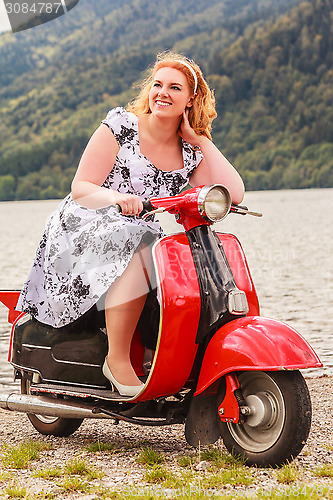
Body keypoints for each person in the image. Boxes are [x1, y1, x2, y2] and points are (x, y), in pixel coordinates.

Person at [16, 51, 244, 398]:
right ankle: (117, 359)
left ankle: (169, 353)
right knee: (144, 239)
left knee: (176, 256)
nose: (162, 93)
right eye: (157, 84)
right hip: (84, 222)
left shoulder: (190, 153)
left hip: (138, 231)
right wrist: (115, 199)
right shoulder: (121, 126)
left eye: (175, 87)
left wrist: (200, 139)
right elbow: (81, 189)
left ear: (191, 98)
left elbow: (236, 192)